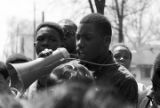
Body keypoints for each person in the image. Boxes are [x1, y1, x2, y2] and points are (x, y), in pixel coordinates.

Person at [53, 13, 138, 106]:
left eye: (87, 38)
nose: (79, 43)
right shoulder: (68, 70)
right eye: (78, 37)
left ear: (106, 41)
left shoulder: (124, 81)